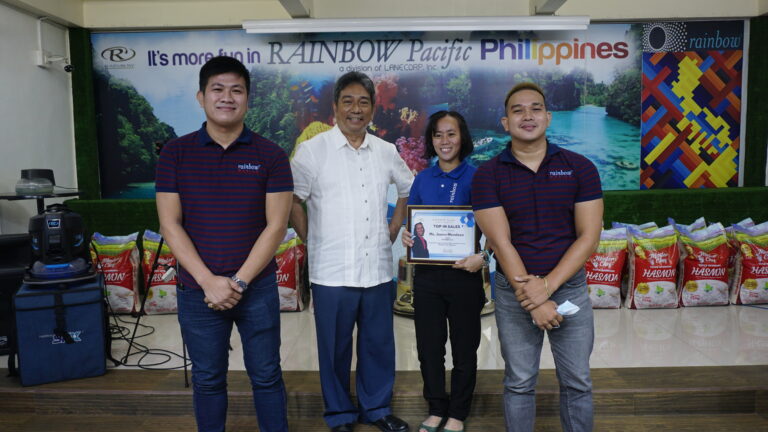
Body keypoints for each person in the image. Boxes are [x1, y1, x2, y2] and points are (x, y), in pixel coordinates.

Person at [155, 56, 292, 432]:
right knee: (207, 377)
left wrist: (240, 282)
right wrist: (209, 281)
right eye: (218, 89)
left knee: (266, 375)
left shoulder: (271, 155)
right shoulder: (175, 153)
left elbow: (276, 225)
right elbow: (170, 224)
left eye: (236, 90)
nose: (227, 97)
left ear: (248, 98)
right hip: (196, 290)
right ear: (201, 97)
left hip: (257, 288)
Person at [471, 82, 603, 432]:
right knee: (519, 382)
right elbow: (500, 242)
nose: (527, 116)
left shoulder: (580, 167)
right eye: (517, 110)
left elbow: (589, 237)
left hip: (569, 289)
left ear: (548, 116)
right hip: (515, 293)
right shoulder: (487, 173)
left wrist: (547, 287)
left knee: (577, 382)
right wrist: (533, 297)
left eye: (535, 108)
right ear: (504, 122)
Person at [289, 71, 413, 432]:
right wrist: (311, 238)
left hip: (375, 269)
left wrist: (393, 230)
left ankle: (377, 410)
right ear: (335, 107)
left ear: (373, 108)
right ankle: (340, 414)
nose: (355, 109)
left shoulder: (386, 151)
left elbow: (407, 189)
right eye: (348, 101)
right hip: (330, 271)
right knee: (334, 350)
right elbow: (293, 199)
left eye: (363, 102)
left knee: (378, 346)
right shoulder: (313, 151)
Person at [402, 111, 486, 432]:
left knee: (464, 349)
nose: (445, 141)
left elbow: (493, 227)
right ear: (431, 141)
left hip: (464, 277)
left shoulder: (479, 177)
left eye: (451, 134)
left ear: (462, 138)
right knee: (429, 348)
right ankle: (436, 407)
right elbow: (413, 226)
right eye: (438, 135)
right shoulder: (422, 179)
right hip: (427, 280)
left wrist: (484, 256)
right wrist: (408, 237)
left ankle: (458, 413)